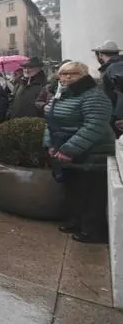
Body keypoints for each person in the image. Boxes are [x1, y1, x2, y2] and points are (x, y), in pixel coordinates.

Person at [44, 61, 116, 244]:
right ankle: (76, 222)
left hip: (92, 152)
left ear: (84, 75)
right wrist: (50, 144)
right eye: (63, 74)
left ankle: (94, 231)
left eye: (73, 74)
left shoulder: (94, 96)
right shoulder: (60, 94)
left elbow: (94, 125)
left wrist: (70, 149)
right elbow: (50, 121)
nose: (67, 77)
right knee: (75, 190)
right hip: (66, 150)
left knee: (91, 193)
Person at [92, 40, 123, 136]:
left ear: (101, 54)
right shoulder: (113, 66)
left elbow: (120, 91)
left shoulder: (115, 66)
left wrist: (119, 116)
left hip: (116, 116)